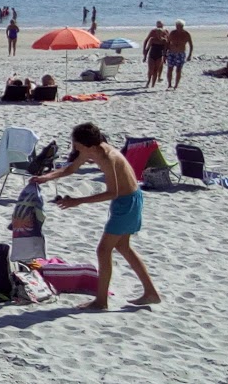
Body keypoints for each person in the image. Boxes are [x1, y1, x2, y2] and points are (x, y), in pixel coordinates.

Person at [31, 122, 161, 310]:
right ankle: (151, 293)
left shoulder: (109, 157)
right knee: (124, 247)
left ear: (89, 145)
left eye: (76, 144)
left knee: (103, 250)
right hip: (124, 202)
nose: (74, 147)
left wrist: (78, 201)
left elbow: (112, 192)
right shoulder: (89, 150)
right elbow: (70, 169)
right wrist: (46, 177)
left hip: (127, 202)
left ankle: (101, 301)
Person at [164, 19, 194, 90]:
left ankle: (176, 85)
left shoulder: (186, 34)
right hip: (171, 53)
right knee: (170, 69)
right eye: (177, 26)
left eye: (179, 26)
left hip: (180, 53)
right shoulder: (172, 33)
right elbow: (167, 43)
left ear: (182, 26)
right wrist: (165, 53)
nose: (178, 27)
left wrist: (190, 55)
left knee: (178, 70)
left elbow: (191, 45)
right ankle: (169, 84)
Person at [142, 21, 167, 88]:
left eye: (160, 33)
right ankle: (149, 81)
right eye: (157, 33)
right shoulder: (152, 39)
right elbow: (147, 47)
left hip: (159, 56)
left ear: (162, 33)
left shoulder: (164, 41)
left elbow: (165, 50)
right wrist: (144, 55)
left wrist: (165, 57)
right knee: (150, 69)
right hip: (151, 55)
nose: (158, 34)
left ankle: (153, 84)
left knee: (156, 70)